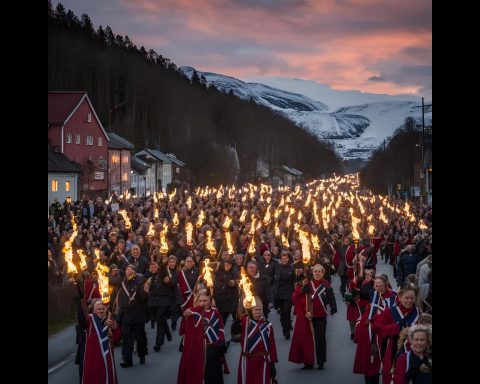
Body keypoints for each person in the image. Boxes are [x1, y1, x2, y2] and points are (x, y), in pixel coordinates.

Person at [289, 264, 337, 370]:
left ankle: (321, 361)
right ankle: (308, 362)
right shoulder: (307, 283)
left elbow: (331, 297)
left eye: (319, 271)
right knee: (308, 340)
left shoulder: (326, 284)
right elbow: (298, 296)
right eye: (315, 271)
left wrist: (333, 307)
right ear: (312, 272)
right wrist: (302, 289)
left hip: (321, 316)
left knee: (320, 339)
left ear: (322, 273)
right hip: (309, 316)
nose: (317, 273)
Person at [353, 274, 397, 384]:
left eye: (380, 285)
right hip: (372, 333)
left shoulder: (394, 297)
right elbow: (367, 313)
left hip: (387, 334)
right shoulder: (373, 295)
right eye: (376, 286)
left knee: (388, 365)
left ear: (386, 284)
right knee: (372, 363)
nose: (378, 288)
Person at [178, 292, 228, 384]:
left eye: (205, 300)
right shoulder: (193, 312)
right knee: (197, 373)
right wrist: (185, 317)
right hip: (197, 349)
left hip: (212, 348)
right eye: (200, 300)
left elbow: (220, 330)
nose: (202, 303)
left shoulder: (216, 314)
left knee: (211, 374)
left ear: (210, 301)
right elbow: (183, 330)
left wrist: (221, 343)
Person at [374, 285, 420, 384]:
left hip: (413, 351)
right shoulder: (390, 311)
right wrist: (397, 328)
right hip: (392, 351)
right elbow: (377, 328)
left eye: (412, 298)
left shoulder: (417, 312)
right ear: (399, 297)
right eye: (406, 298)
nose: (409, 301)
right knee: (391, 377)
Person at [74, 298, 120, 384]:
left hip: (107, 359)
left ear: (106, 309)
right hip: (92, 359)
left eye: (103, 309)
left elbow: (117, 338)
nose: (101, 311)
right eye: (99, 309)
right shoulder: (90, 319)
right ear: (94, 310)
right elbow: (82, 321)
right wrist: (79, 303)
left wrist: (115, 328)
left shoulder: (110, 319)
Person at [237, 298, 278, 384]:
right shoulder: (245, 322)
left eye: (260, 310)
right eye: (255, 310)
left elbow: (272, 346)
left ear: (263, 310)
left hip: (262, 361)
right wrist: (236, 322)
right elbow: (235, 333)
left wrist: (272, 363)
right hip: (247, 360)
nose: (258, 312)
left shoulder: (268, 326)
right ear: (251, 310)